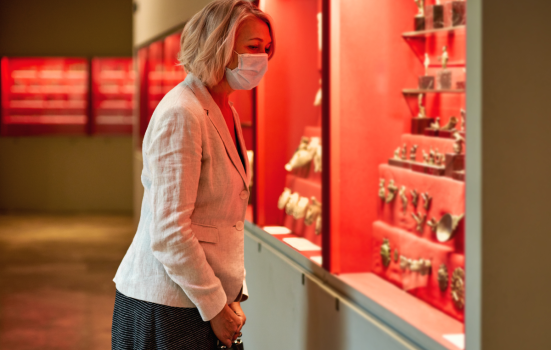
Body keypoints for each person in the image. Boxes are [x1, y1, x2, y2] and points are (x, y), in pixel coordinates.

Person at [111, 1, 274, 349]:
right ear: (220, 43)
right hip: (167, 306)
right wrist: (216, 306)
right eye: (253, 47)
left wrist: (230, 294)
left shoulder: (221, 107)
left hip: (196, 299)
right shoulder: (182, 112)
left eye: (267, 49)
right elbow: (170, 230)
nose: (262, 58)